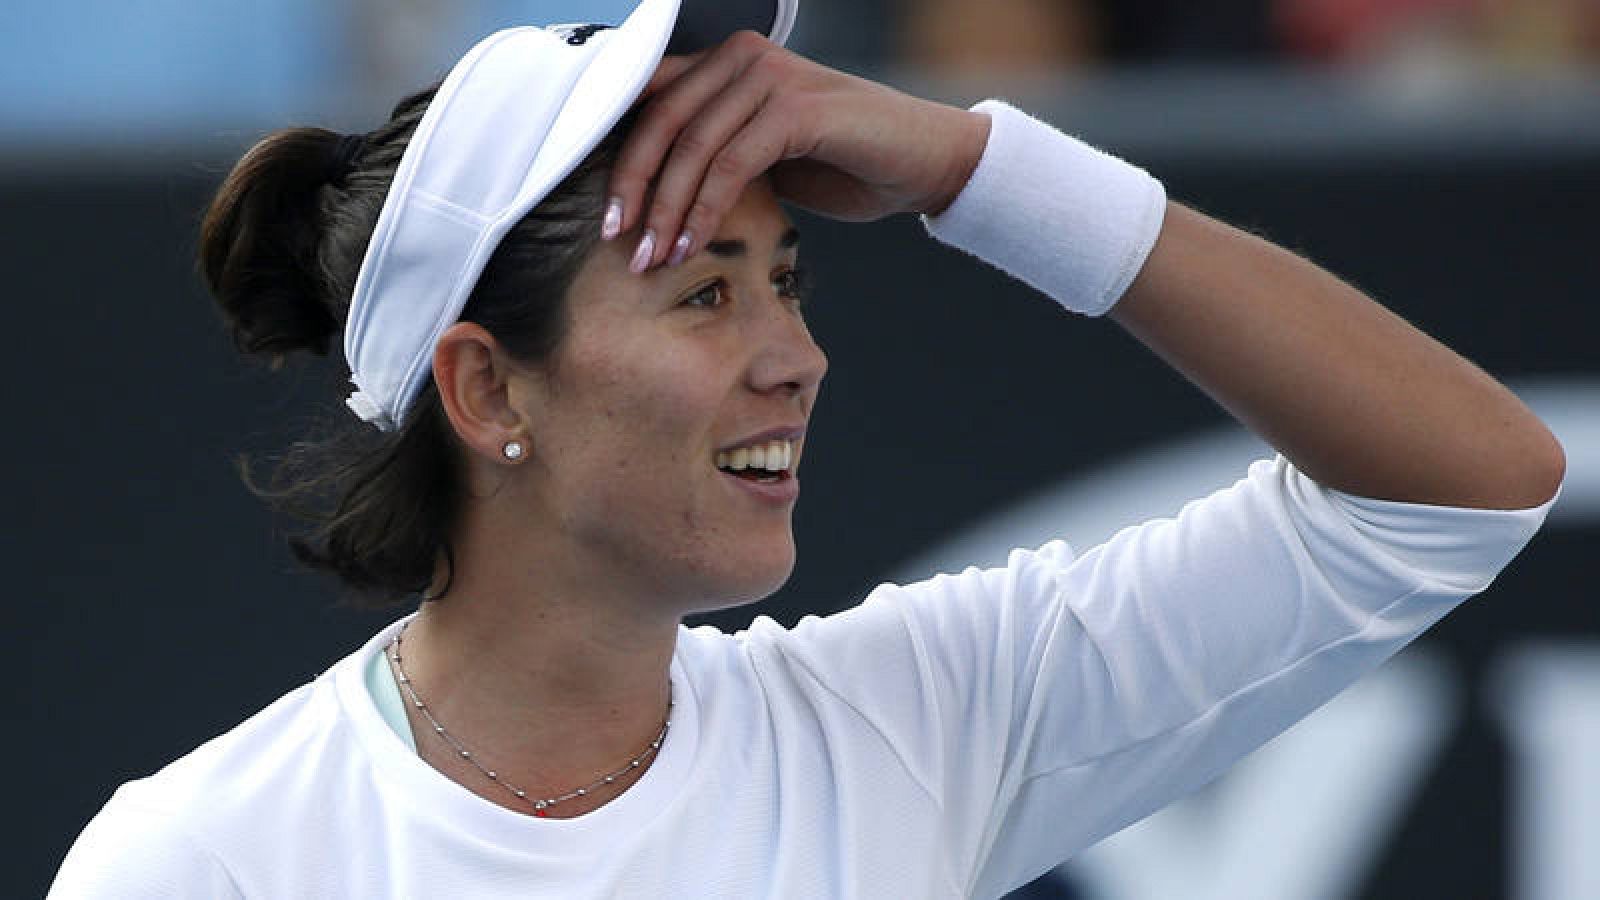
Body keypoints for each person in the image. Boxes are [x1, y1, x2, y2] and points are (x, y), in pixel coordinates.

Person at [50, 0, 1564, 896]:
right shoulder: (205, 858)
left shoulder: (917, 714)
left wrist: (980, 166)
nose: (797, 356)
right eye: (705, 290)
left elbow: (1463, 482)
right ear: (489, 390)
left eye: (788, 279)